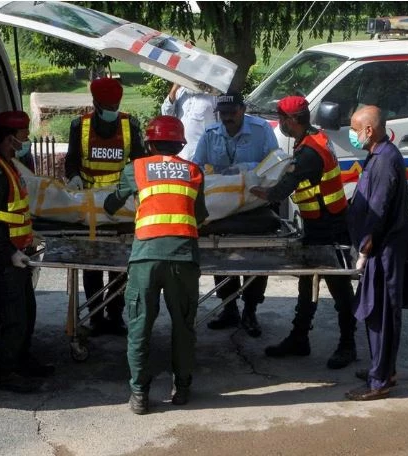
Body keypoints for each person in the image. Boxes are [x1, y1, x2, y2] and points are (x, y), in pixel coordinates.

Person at [103, 115, 208, 415]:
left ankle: (139, 394)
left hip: (145, 258)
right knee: (183, 326)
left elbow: (112, 203)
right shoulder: (193, 171)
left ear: (149, 143)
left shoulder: (135, 169)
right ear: (180, 144)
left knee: (139, 326)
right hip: (184, 259)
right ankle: (183, 389)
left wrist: (110, 206)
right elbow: (199, 216)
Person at [250, 95, 357, 369]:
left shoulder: (310, 151)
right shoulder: (312, 139)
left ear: (292, 120)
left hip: (329, 226)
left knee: (339, 288)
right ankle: (299, 338)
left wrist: (261, 192)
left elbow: (285, 186)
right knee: (306, 282)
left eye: (282, 119)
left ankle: (348, 345)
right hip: (318, 222)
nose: (281, 124)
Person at [0, 110, 54, 393]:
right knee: (14, 318)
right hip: (4, 259)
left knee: (28, 312)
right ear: (10, 138)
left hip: (20, 255)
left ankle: (23, 361)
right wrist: (10, 252)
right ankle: (7, 373)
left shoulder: (9, 165)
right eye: (23, 136)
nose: (26, 140)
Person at [192, 91, 278, 338]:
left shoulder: (261, 130)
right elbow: (197, 167)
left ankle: (250, 311)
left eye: (232, 113)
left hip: (254, 207)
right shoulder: (211, 134)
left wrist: (245, 171)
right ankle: (229, 308)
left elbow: (274, 163)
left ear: (242, 110)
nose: (227, 118)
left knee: (256, 259)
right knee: (223, 255)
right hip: (223, 207)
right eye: (223, 114)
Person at [64, 77, 145, 336]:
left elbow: (140, 162)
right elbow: (71, 160)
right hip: (90, 206)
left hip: (120, 206)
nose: (113, 108)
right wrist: (74, 176)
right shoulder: (80, 125)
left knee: (119, 265)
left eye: (116, 104)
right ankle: (96, 315)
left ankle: (115, 314)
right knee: (92, 264)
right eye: (107, 104)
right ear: (95, 103)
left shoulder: (130, 124)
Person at [345, 105, 408, 401]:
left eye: (354, 128)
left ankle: (379, 381)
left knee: (381, 314)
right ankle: (385, 369)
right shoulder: (377, 156)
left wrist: (365, 245)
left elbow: (379, 207)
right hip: (381, 247)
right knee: (378, 311)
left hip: (385, 250)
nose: (352, 134)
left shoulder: (386, 160)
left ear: (369, 130)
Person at [161, 83, 217, 161]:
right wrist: (174, 89)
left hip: (202, 156)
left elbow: (220, 126)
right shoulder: (181, 91)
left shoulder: (213, 95)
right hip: (180, 154)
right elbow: (166, 115)